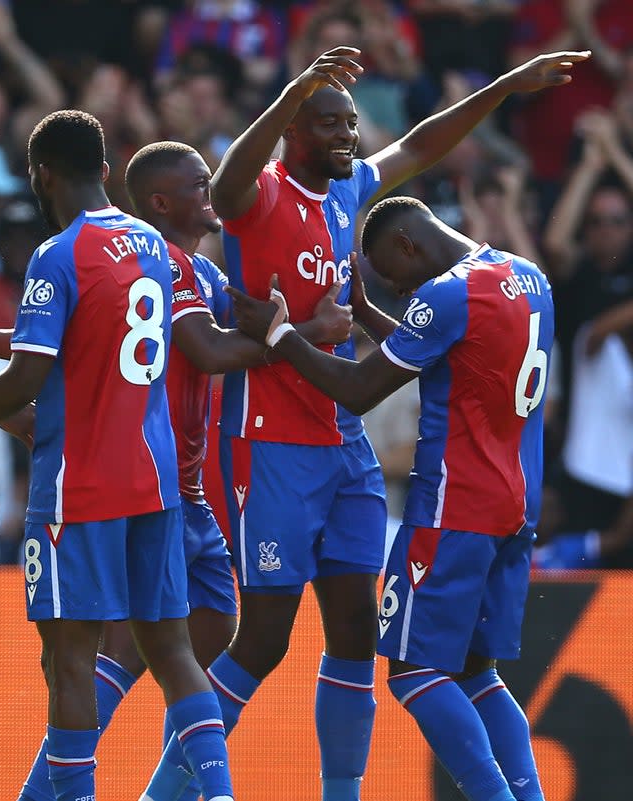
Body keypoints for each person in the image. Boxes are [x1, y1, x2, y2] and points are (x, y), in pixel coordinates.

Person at [141, 46, 588, 801]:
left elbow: (419, 143)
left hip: (342, 443)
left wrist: (505, 84)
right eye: (330, 122)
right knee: (266, 637)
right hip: (269, 441)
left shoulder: (351, 188)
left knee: (355, 631)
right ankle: (170, 792)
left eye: (351, 122)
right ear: (295, 131)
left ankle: (340, 794)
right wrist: (292, 91)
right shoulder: (261, 197)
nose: (349, 135)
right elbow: (225, 181)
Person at [0, 109, 234, 801]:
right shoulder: (152, 244)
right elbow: (79, 332)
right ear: (103, 170)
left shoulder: (57, 254)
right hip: (155, 483)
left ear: (39, 175)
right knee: (173, 649)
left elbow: (28, 378)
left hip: (79, 487)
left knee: (69, 657)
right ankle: (219, 793)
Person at [228, 195, 552, 801]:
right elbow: (450, 353)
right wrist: (371, 314)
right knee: (478, 671)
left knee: (413, 670)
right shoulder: (526, 276)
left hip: (454, 507)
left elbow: (358, 389)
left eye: (390, 274)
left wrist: (280, 335)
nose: (397, 288)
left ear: (407, 245)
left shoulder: (446, 295)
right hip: (516, 502)